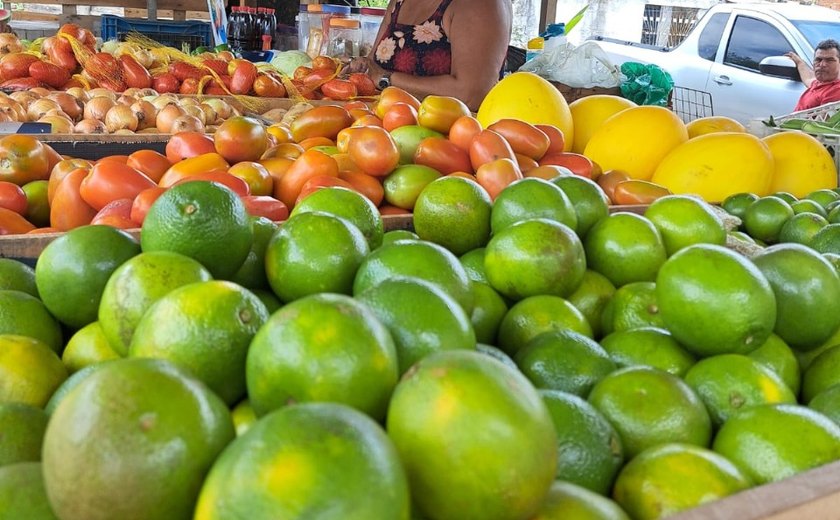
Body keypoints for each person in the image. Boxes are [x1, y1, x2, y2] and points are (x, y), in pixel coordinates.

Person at [348, 0, 512, 111]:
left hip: (448, 146)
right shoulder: (399, 2)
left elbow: (471, 94)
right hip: (382, 132)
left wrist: (386, 79)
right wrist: (360, 67)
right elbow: (373, 66)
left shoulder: (480, 5)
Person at [787, 39, 840, 112]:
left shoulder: (836, 91)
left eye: (829, 60)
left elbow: (823, 122)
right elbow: (808, 78)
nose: (822, 65)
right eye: (818, 60)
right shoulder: (818, 84)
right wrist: (799, 62)